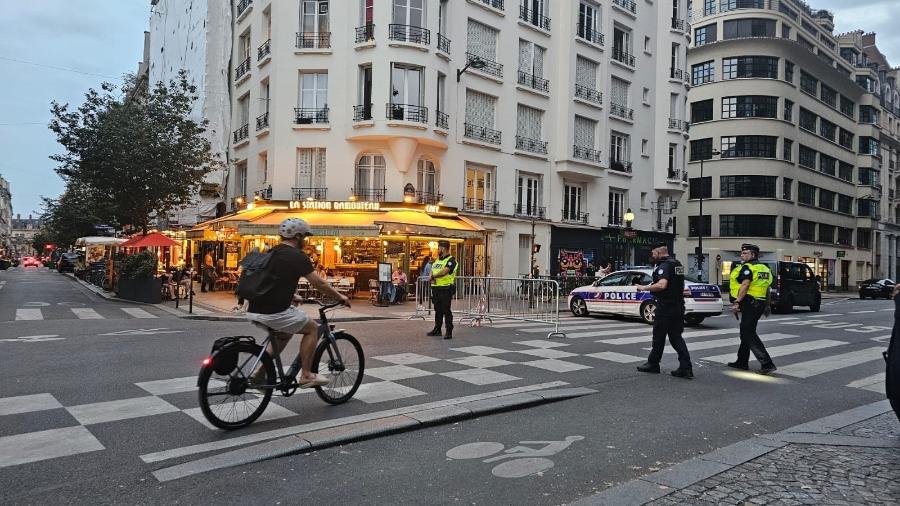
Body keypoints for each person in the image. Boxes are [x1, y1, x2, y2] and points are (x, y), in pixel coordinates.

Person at [245, 218, 351, 388]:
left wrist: (292, 294)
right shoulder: (297, 256)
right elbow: (319, 283)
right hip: (273, 311)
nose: (306, 240)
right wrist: (340, 297)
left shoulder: (272, 252)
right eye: (305, 237)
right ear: (298, 236)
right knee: (313, 329)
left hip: (254, 308)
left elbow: (271, 280)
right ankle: (307, 376)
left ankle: (259, 374)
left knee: (284, 334)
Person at [635, 242, 693, 379]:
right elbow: (676, 284)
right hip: (678, 306)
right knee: (676, 337)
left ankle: (653, 364)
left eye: (653, 253)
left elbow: (662, 285)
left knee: (658, 337)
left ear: (659, 252)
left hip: (666, 306)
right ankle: (686, 367)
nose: (652, 255)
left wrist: (643, 288)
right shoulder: (677, 264)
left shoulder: (665, 265)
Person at [728, 244, 777, 374]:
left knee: (747, 332)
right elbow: (766, 287)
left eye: (745, 253)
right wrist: (766, 305)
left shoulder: (747, 268)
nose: (742, 255)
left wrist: (737, 301)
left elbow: (745, 284)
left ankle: (767, 363)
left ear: (753, 255)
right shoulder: (764, 268)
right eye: (742, 253)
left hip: (750, 303)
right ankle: (742, 361)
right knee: (747, 331)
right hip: (758, 303)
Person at [427, 240, 458, 339]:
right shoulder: (438, 260)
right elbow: (432, 268)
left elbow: (444, 272)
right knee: (438, 310)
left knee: (446, 310)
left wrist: (433, 276)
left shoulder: (451, 261)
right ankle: (437, 329)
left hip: (446, 288)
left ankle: (449, 330)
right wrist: (431, 275)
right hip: (436, 288)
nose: (437, 250)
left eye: (439, 248)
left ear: (443, 248)